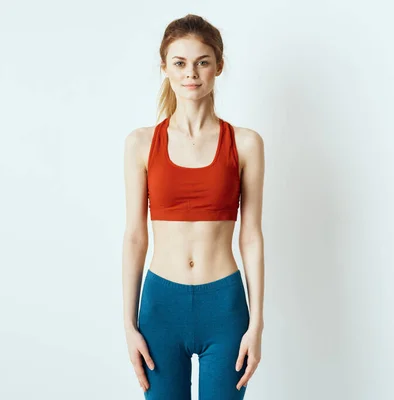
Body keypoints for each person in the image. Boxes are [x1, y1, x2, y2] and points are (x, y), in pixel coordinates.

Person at [121, 14, 265, 399]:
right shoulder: (140, 143)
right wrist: (128, 324)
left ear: (218, 65)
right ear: (165, 67)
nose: (192, 74)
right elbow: (135, 237)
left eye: (202, 61)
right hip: (160, 308)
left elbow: (251, 236)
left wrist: (257, 323)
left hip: (225, 307)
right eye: (180, 63)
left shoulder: (246, 143)